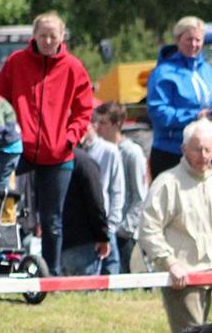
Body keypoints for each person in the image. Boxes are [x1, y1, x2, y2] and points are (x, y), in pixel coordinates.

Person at [0, 11, 94, 276]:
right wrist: (5, 133)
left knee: (52, 221)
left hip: (58, 154)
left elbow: (84, 110)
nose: (48, 41)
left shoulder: (73, 67)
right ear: (33, 37)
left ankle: (52, 274)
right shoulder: (16, 62)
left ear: (62, 36)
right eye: (43, 36)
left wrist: (70, 137)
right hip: (20, 149)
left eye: (53, 36)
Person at [137, 119, 212, 333]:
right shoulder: (167, 183)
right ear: (183, 149)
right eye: (197, 149)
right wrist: (170, 263)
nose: (204, 155)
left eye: (208, 150)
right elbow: (147, 229)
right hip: (183, 281)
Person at [144, 16, 212, 179]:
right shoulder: (163, 73)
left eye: (198, 40)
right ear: (177, 40)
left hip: (207, 153)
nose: (193, 45)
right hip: (172, 152)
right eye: (188, 39)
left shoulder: (207, 70)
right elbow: (158, 112)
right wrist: (192, 117)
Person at [93, 101, 148, 272]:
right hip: (106, 230)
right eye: (97, 122)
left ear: (117, 124)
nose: (98, 128)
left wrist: (124, 229)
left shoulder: (132, 153)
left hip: (125, 233)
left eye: (103, 123)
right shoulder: (100, 151)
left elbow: (140, 196)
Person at [79, 117, 125, 275]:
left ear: (93, 125)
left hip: (105, 220)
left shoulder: (109, 151)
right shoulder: (74, 151)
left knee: (111, 267)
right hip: (83, 224)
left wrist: (112, 223)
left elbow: (117, 190)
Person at [58, 149, 111, 277]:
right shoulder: (84, 162)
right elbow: (96, 201)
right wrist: (103, 236)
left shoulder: (49, 162)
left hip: (57, 242)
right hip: (83, 241)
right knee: (86, 292)